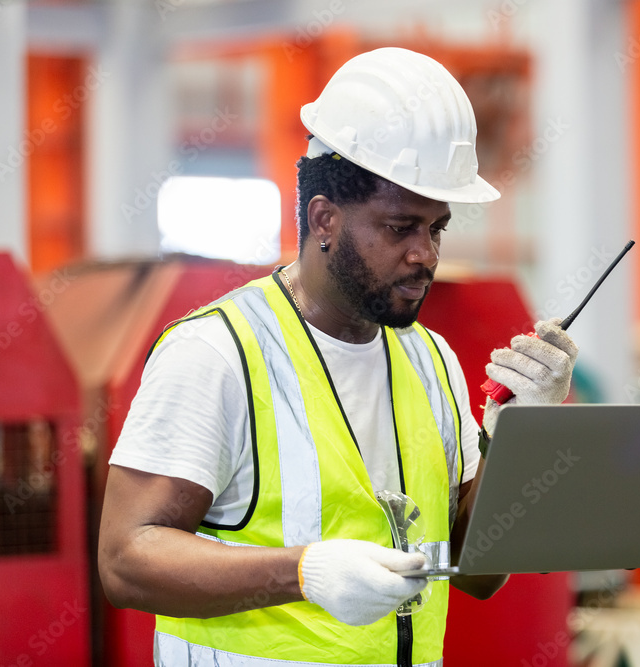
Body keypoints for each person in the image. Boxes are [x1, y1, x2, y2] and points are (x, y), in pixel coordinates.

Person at [97, 47, 578, 667]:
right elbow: (125, 561)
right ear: (324, 217)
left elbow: (477, 574)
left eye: (437, 228)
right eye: (401, 226)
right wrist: (304, 572)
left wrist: (521, 435)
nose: (425, 255)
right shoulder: (219, 353)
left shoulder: (432, 362)